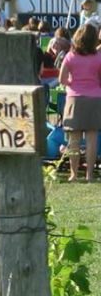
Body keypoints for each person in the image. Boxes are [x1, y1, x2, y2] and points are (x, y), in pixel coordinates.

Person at [59, 22, 101, 181]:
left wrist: (72, 83)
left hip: (74, 99)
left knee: (74, 140)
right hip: (95, 99)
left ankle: (74, 174)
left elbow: (62, 79)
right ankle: (90, 174)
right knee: (92, 139)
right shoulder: (98, 57)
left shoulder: (70, 56)